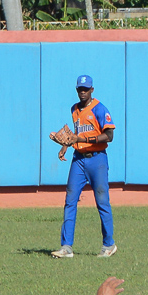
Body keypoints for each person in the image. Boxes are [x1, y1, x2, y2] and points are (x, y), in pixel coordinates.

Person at [51, 74, 118, 259]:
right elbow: (76, 133)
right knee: (70, 201)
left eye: (86, 89)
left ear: (92, 90)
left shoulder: (99, 108)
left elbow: (109, 135)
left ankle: (108, 245)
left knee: (102, 201)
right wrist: (65, 144)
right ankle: (66, 247)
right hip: (78, 160)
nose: (83, 92)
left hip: (97, 160)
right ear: (76, 90)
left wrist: (81, 139)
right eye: (80, 89)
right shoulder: (74, 109)